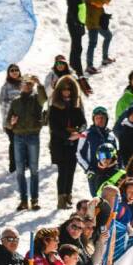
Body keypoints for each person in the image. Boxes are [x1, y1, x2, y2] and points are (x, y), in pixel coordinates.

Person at [7, 74, 47, 211]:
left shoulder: (36, 99)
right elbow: (7, 122)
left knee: (34, 170)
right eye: (25, 83)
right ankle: (23, 200)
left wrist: (40, 84)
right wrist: (11, 123)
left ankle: (34, 200)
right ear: (20, 85)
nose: (27, 86)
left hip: (33, 136)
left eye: (30, 84)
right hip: (18, 137)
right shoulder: (15, 102)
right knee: (19, 171)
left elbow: (44, 99)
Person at [48, 75, 87, 209]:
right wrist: (68, 135)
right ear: (59, 90)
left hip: (74, 143)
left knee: (71, 170)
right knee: (62, 171)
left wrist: (79, 132)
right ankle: (61, 198)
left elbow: (83, 122)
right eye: (64, 89)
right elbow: (53, 127)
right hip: (60, 143)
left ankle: (68, 195)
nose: (67, 91)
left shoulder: (76, 105)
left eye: (69, 89)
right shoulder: (54, 106)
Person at [77, 106, 117, 192]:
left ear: (106, 119)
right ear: (93, 119)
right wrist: (88, 169)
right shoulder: (86, 134)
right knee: (97, 197)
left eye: (102, 118)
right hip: (94, 172)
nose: (100, 120)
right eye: (97, 118)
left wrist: (116, 166)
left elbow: (117, 153)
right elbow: (79, 154)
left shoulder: (111, 135)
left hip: (111, 171)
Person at [83, 0, 114, 74]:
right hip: (92, 20)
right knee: (93, 43)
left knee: (108, 36)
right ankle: (89, 66)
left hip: (99, 19)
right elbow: (97, 0)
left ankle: (105, 58)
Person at [0, 64, 23, 172]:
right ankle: (13, 166)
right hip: (11, 121)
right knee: (14, 143)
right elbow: (2, 103)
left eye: (16, 70)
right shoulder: (5, 87)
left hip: (23, 121)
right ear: (8, 73)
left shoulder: (24, 84)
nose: (14, 72)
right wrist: (15, 108)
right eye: (12, 70)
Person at [64, 0, 85, 77]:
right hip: (74, 22)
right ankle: (78, 72)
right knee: (77, 47)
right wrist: (77, 23)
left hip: (78, 21)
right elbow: (72, 8)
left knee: (77, 47)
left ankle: (73, 69)